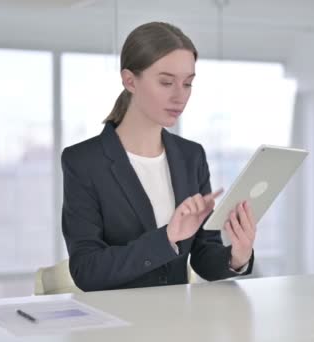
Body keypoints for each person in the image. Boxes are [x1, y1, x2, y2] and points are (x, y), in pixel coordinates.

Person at [61, 22, 256, 292]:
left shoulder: (191, 156)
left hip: (177, 325)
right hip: (116, 327)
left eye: (188, 83)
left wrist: (237, 255)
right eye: (166, 82)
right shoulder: (83, 161)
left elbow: (203, 256)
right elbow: (86, 270)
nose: (180, 96)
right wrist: (167, 237)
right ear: (130, 80)